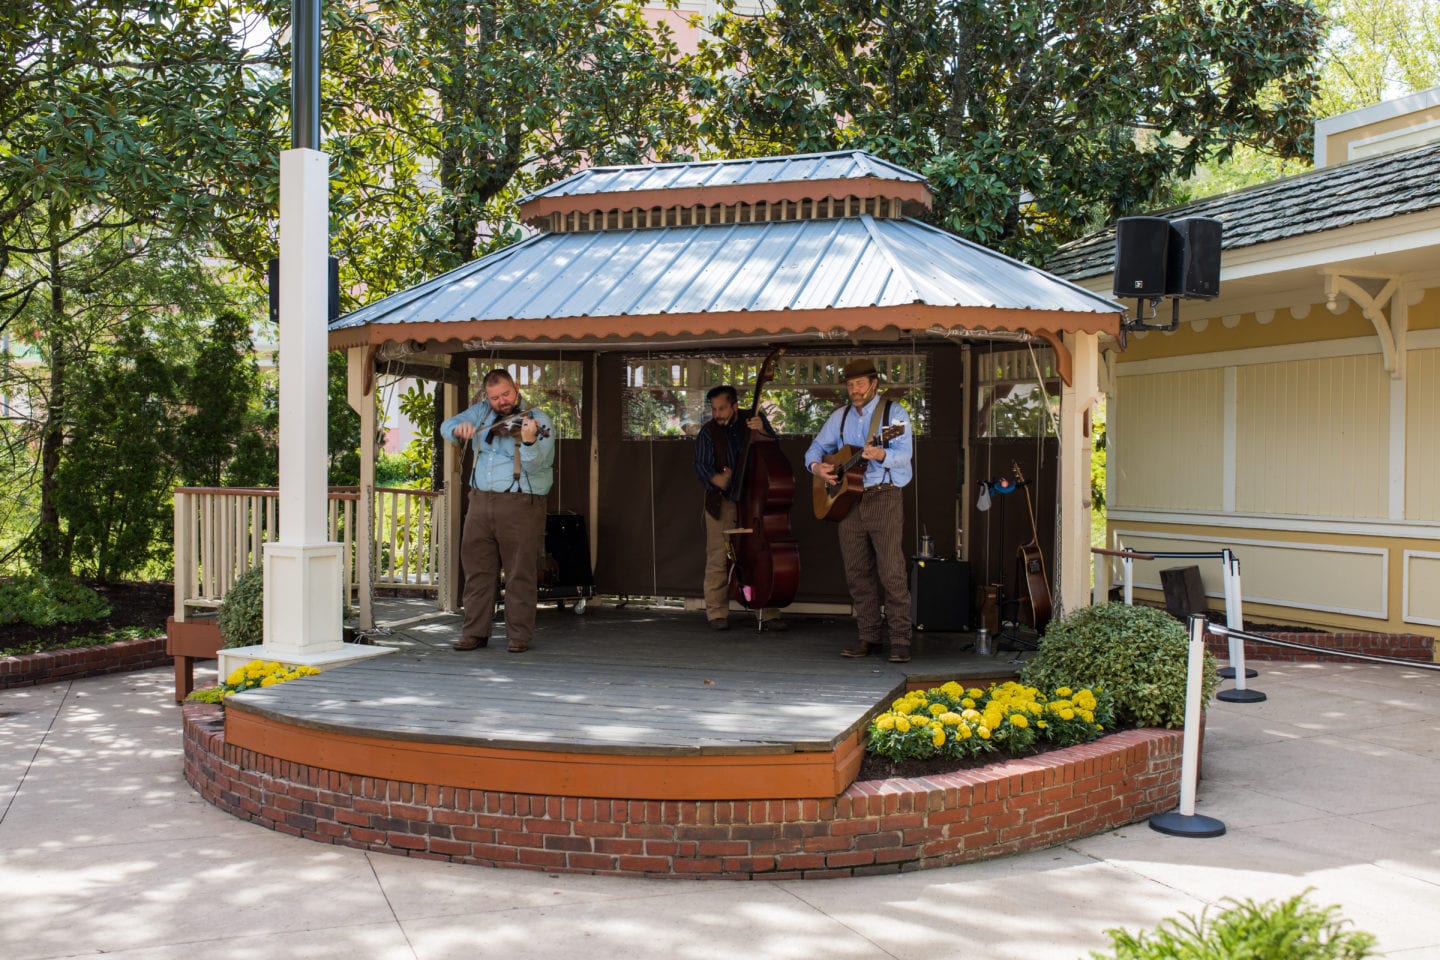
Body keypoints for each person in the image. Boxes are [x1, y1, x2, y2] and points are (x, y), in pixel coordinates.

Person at [803, 358, 914, 662]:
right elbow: (813, 450)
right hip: (847, 502)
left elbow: (904, 455)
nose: (854, 390)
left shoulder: (895, 415)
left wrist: (881, 453)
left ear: (874, 384)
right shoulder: (839, 417)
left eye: (860, 384)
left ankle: (901, 640)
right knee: (856, 572)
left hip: (883, 496)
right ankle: (869, 636)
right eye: (850, 385)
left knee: (891, 571)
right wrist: (818, 467)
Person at [440, 369, 556, 653]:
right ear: (486, 397)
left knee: (519, 572)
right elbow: (447, 425)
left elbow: (536, 465)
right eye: (495, 397)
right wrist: (458, 429)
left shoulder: (538, 420)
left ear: (515, 389)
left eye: (505, 394)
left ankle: (518, 636)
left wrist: (529, 441)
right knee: (477, 570)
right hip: (479, 502)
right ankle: (475, 633)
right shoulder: (480, 412)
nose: (501, 401)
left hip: (520, 503)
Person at [693, 384, 786, 632]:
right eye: (714, 409)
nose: (718, 414)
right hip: (722, 501)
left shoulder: (754, 420)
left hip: (755, 500)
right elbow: (701, 466)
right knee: (718, 556)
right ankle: (716, 612)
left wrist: (763, 432)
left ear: (734, 405)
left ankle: (768, 610)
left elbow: (775, 450)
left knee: (760, 554)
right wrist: (716, 479)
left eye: (722, 408)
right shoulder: (708, 432)